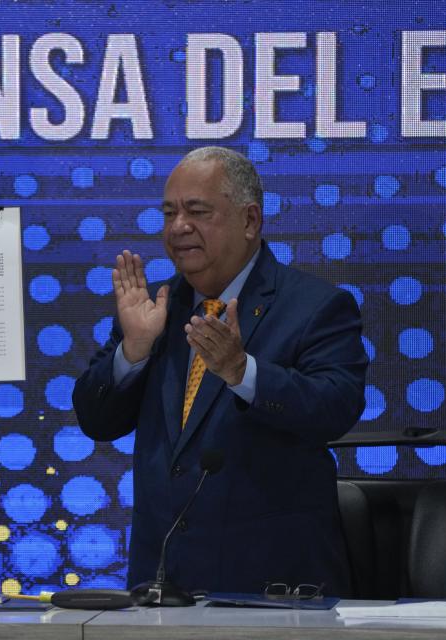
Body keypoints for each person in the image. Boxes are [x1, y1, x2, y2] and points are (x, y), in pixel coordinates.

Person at [72, 147, 367, 596]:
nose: (178, 227)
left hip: (273, 589)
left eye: (197, 211)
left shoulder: (316, 306)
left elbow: (335, 408)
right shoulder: (154, 309)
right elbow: (97, 420)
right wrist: (132, 351)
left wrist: (242, 371)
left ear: (249, 221)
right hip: (162, 587)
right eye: (169, 213)